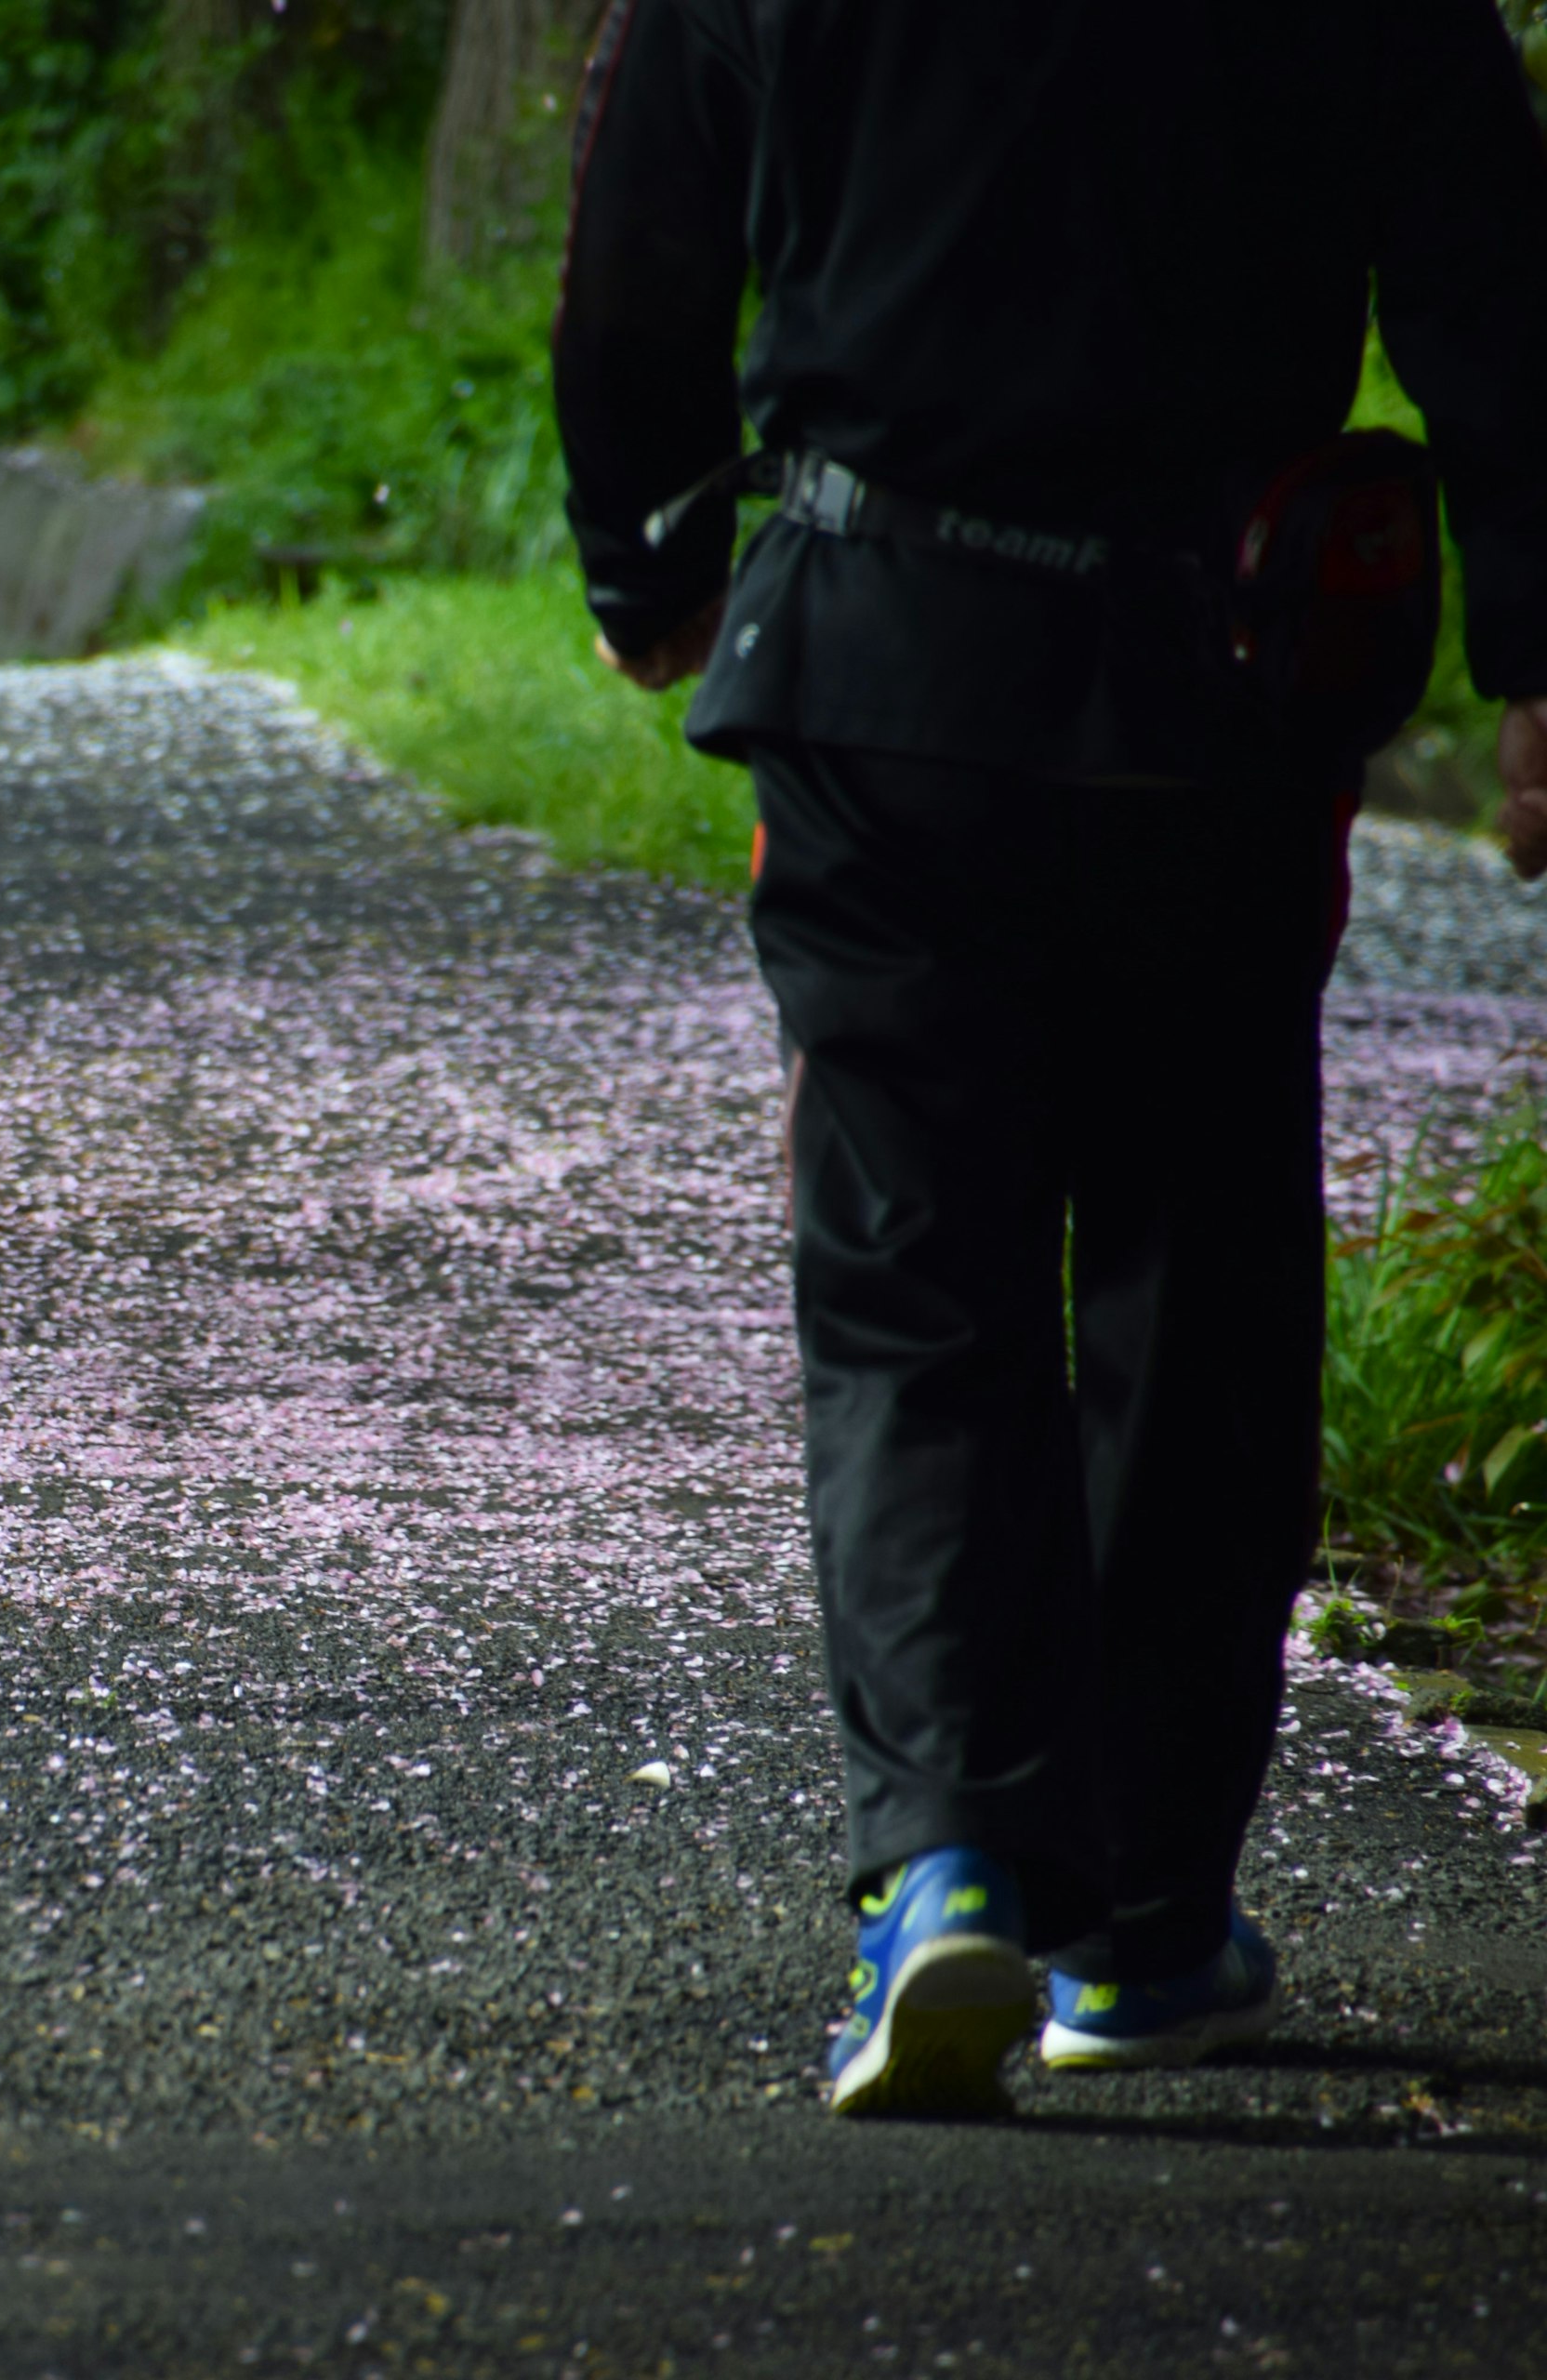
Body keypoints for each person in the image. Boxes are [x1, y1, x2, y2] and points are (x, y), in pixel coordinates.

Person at [555, 0, 1547, 2118]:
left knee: (917, 1281)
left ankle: (944, 1862)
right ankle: (1148, 1915)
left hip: (876, 667)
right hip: (1219, 678)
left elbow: (645, 214)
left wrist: (641, 545)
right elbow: (1488, 270)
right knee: (1199, 1271)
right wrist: (1538, 648)